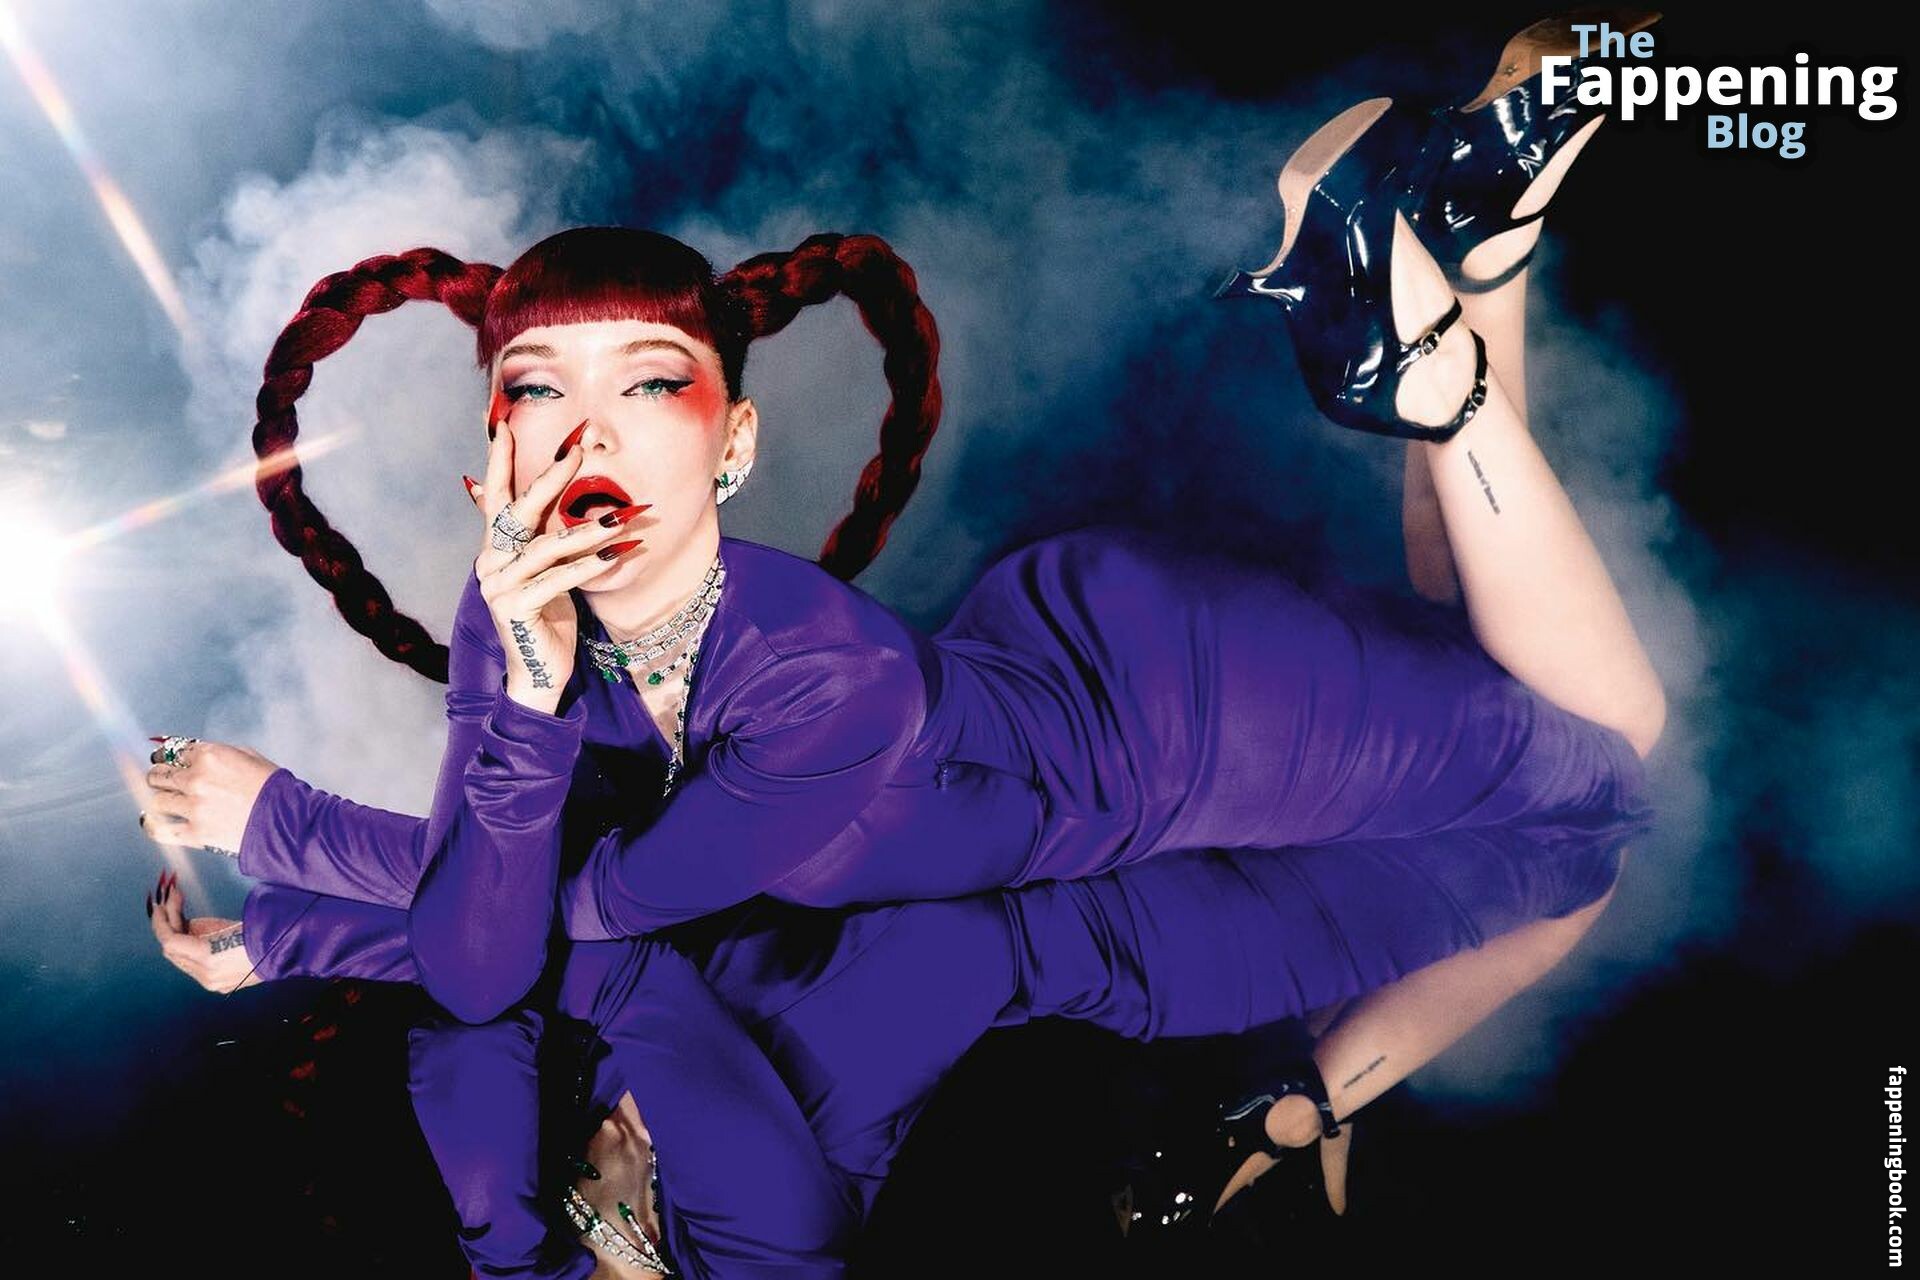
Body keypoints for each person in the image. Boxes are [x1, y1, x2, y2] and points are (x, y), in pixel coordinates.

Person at [142, 10, 1666, 1274]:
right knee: (1544, 806)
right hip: (1132, 927)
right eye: (545, 388)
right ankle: (1471, 265)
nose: (586, 432)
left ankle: (1425, 348)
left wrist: (302, 893)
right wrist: (304, 868)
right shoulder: (758, 1245)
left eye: (634, 386)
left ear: (728, 443)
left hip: (1141, 727)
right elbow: (574, 947)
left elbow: (515, 958)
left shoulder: (742, 677)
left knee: (1604, 772)